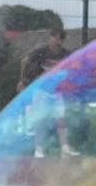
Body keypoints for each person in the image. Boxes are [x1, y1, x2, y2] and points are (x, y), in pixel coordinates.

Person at [19, 29, 78, 158]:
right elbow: (24, 61)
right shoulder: (41, 52)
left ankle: (65, 147)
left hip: (57, 91)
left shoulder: (65, 54)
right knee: (40, 119)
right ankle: (38, 148)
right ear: (50, 37)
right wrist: (23, 80)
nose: (57, 41)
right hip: (42, 91)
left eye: (60, 39)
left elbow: (71, 67)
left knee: (60, 119)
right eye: (55, 38)